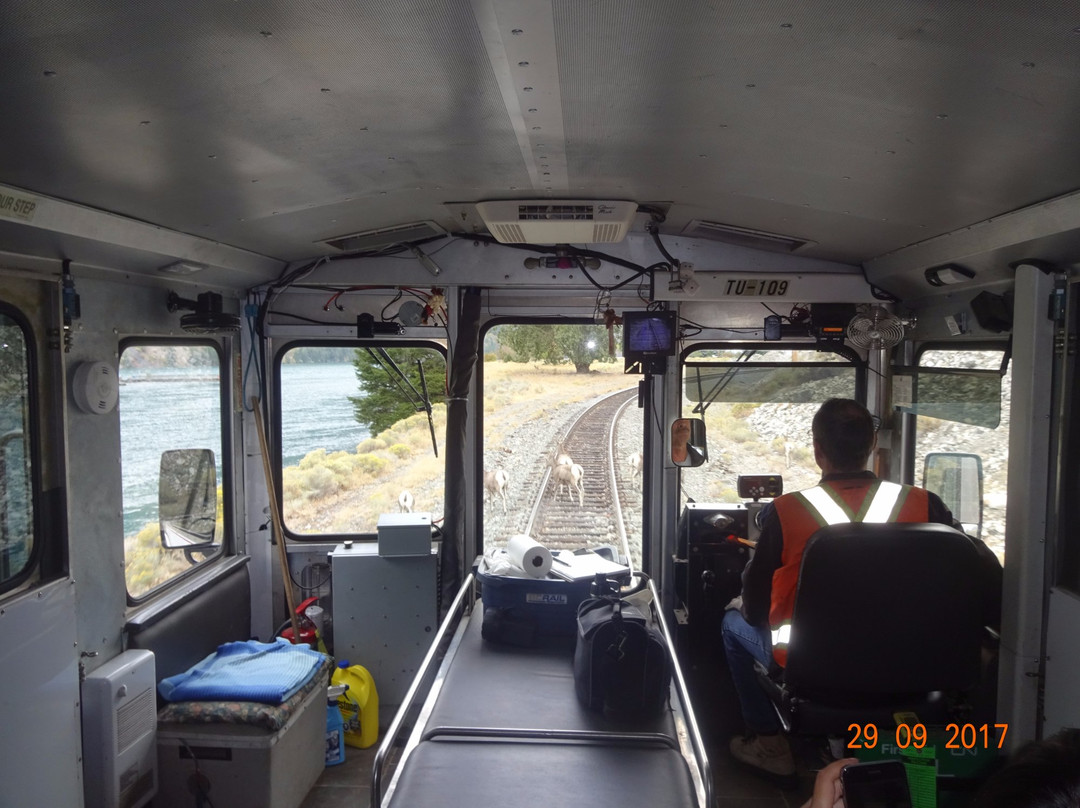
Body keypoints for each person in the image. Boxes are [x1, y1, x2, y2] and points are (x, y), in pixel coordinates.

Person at [722, 398, 1003, 785]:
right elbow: (986, 583)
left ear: (818, 450)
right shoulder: (926, 505)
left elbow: (755, 609)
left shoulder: (786, 512)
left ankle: (771, 747)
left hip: (813, 673)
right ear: (871, 445)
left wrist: (745, 603)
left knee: (732, 624)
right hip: (917, 671)